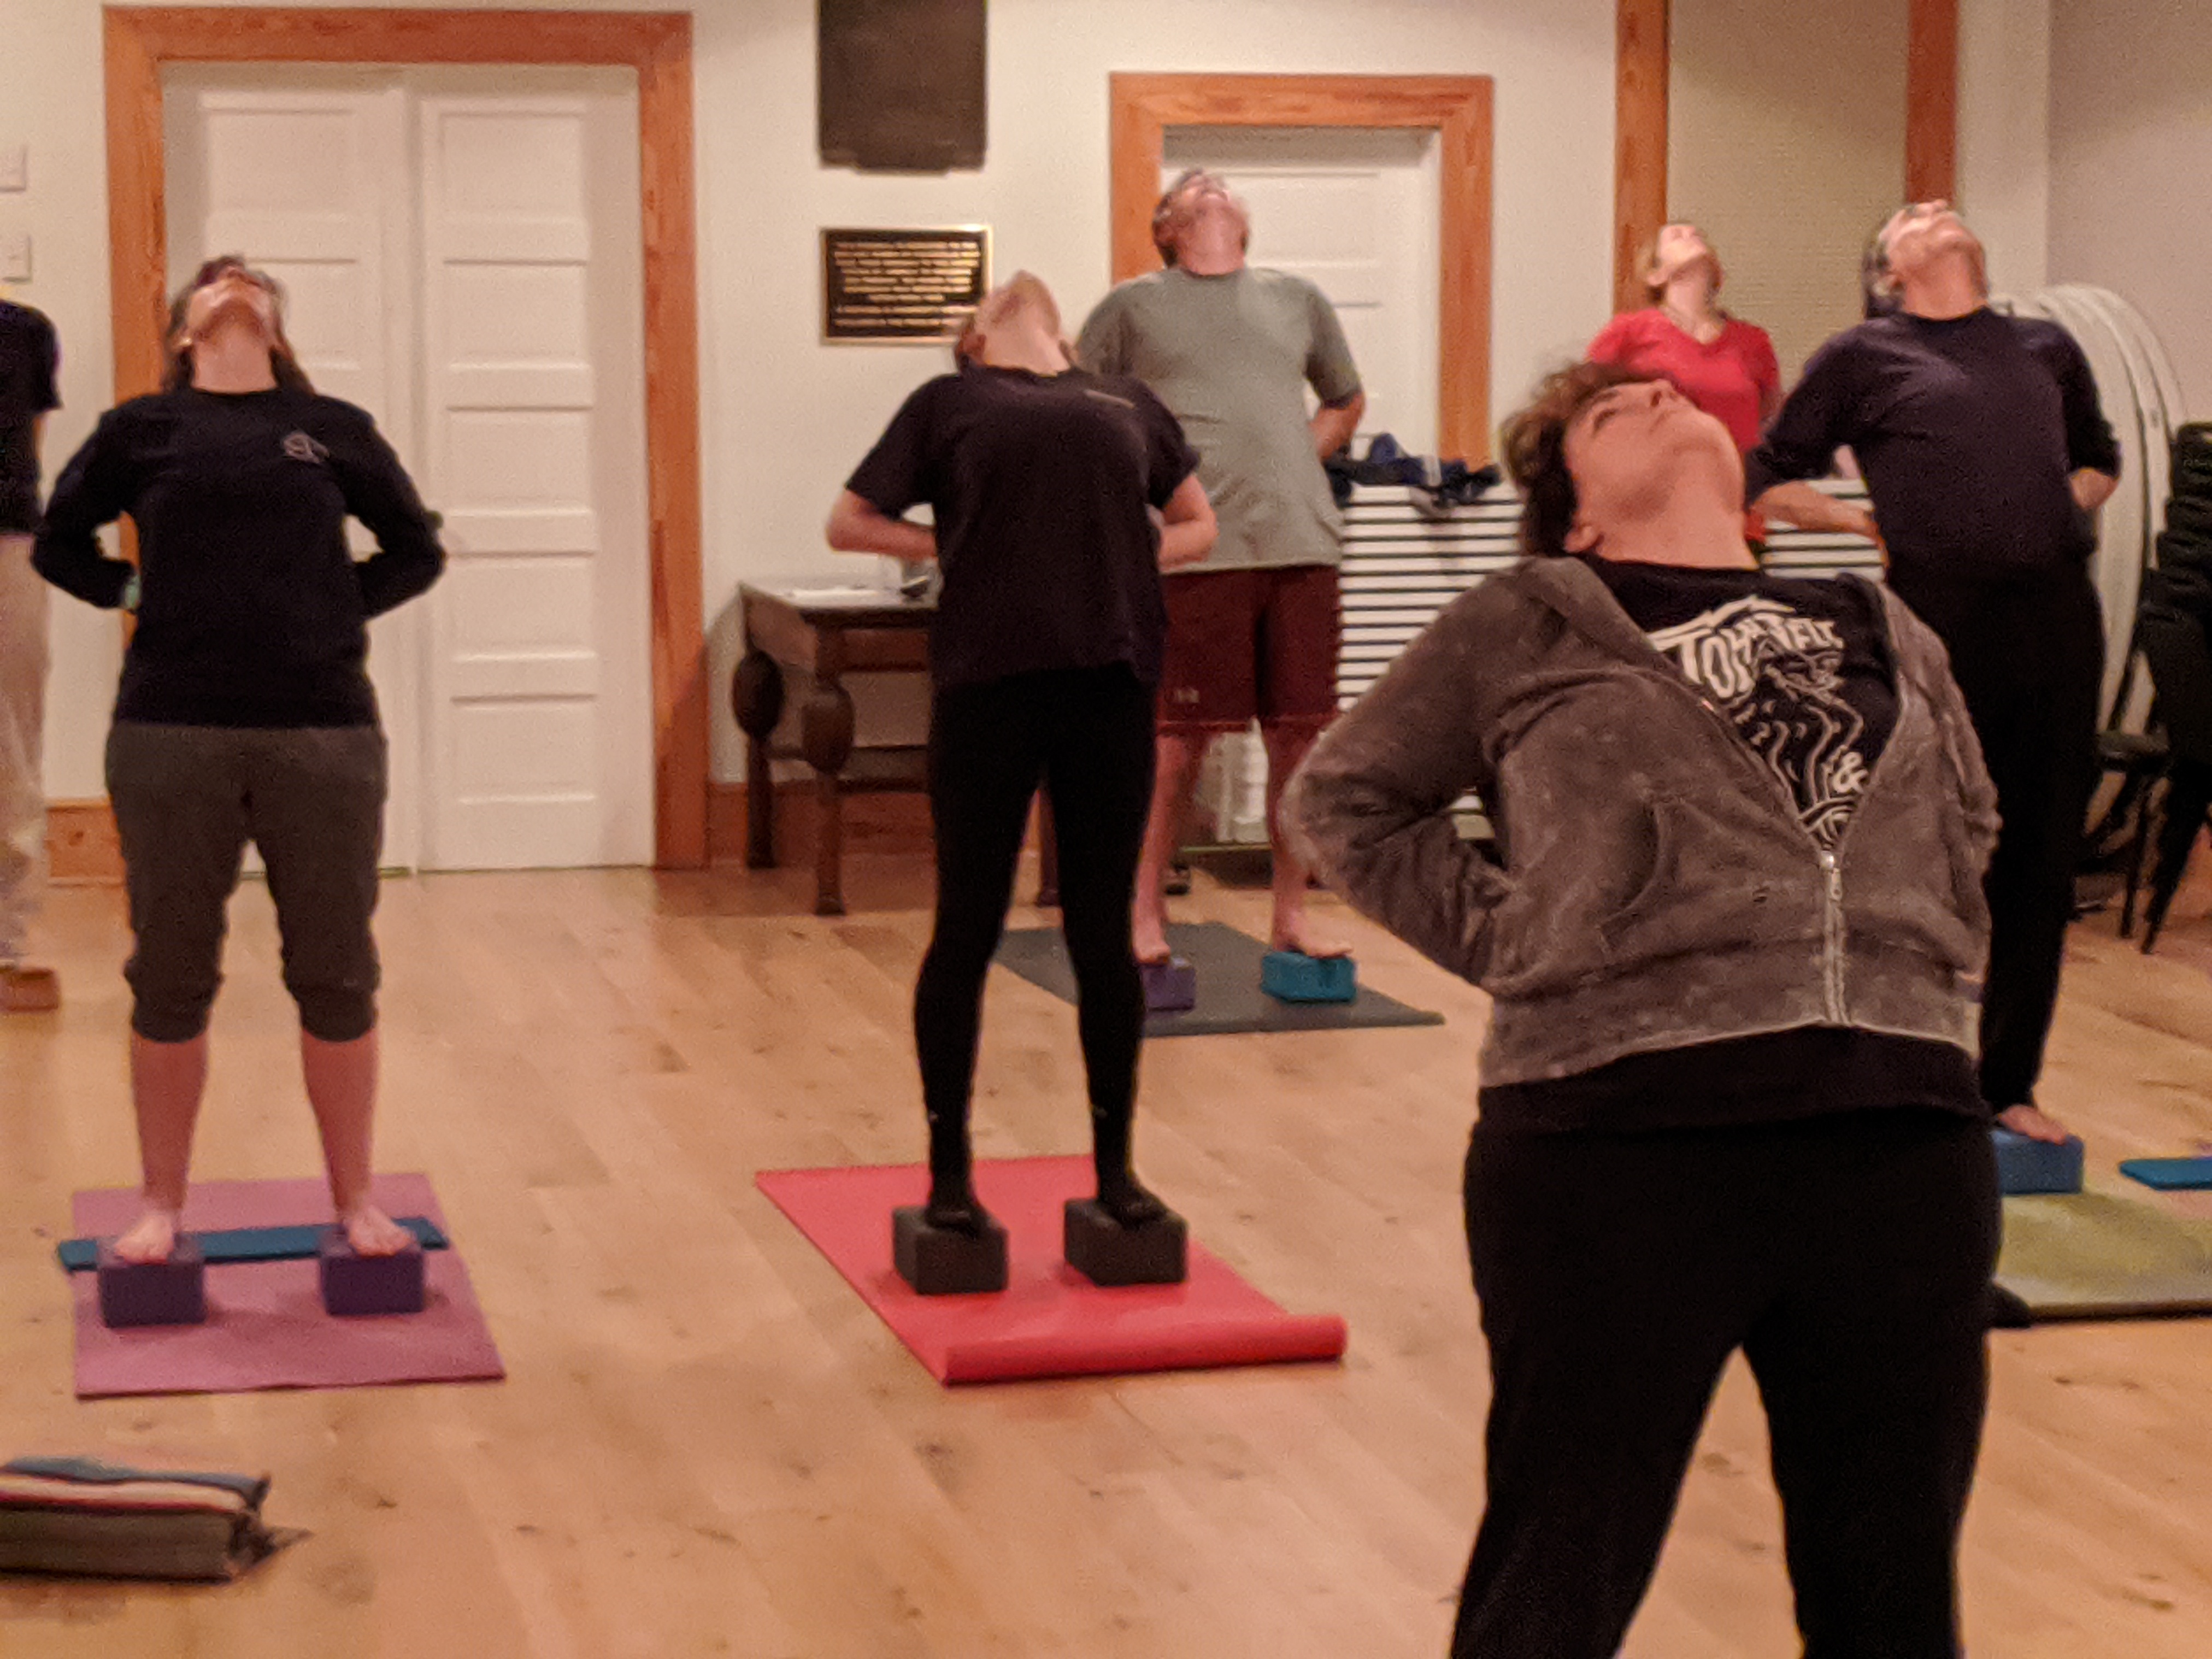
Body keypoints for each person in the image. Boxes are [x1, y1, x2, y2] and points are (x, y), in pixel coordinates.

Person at [1287, 362, 2003, 1658]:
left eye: (1671, 393)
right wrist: (1519, 936)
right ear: (1576, 516)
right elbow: (1344, 799)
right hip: (1616, 1145)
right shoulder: (1529, 620)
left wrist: (1928, 958)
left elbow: (1972, 815)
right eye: (1612, 412)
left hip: (1899, 1142)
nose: (1660, 397)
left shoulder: (1883, 620)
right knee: (1557, 1580)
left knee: (1894, 1595)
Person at [34, 256, 444, 1263]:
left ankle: (357, 1201)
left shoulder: (330, 428)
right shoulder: (142, 429)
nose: (234, 283)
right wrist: (130, 593)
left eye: (252, 280)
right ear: (184, 329)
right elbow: (58, 541)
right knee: (170, 971)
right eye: (214, 281)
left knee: (336, 971)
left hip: (323, 732)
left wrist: (336, 607)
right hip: (171, 732)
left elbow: (416, 547)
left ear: (275, 324)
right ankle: (160, 1206)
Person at [825, 270, 1215, 1236]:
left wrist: (1112, 557)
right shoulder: (949, 402)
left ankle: (1116, 1169)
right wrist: (957, 548)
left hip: (1108, 683)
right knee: (968, 925)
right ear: (974, 338)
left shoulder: (1127, 400)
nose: (1009, 289)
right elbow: (849, 521)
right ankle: (950, 1176)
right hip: (989, 687)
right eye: (987, 300)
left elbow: (1197, 523)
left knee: (1100, 934)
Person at [1747, 201, 2121, 1145]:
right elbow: (1768, 476)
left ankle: (2007, 1085)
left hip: (2055, 619)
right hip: (1936, 625)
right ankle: (1885, 1066)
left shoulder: (2044, 347)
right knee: (1910, 842)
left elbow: (2099, 463)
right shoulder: (1862, 356)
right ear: (1890, 272)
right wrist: (1862, 520)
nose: (1935, 210)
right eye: (1912, 215)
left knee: (2040, 856)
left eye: (1942, 207)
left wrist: (2052, 510)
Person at [1076, 168, 1364, 967]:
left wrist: (1296, 460)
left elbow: (1343, 398)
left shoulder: (1297, 298)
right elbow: (1081, 408)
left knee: (1300, 742)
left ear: (1244, 220)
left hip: (1301, 546)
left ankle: (1291, 916)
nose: (1208, 188)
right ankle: (1142, 917)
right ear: (1166, 228)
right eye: (1189, 189)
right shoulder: (1131, 307)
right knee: (1177, 747)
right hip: (1199, 556)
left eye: (1220, 186)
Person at [1588, 222, 1780, 540]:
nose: (1691, 236)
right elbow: (1584, 411)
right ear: (1655, 275)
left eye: (1698, 235)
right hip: (1650, 522)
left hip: (1735, 523)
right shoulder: (1628, 333)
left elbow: (1772, 421)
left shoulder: (1753, 342)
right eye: (1678, 236)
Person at [1, 293, 61, 1013]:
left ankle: (6, 945)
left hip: (9, 547)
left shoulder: (25, 332)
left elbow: (30, 448)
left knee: (11, 745)